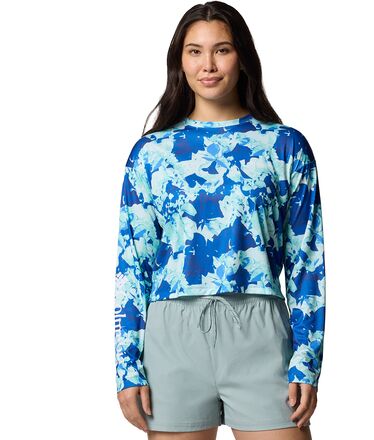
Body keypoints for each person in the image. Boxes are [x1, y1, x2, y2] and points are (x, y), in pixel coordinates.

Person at [114, 2, 326, 439]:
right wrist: (126, 366)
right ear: (179, 61)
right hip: (172, 335)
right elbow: (133, 264)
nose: (207, 65)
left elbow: (307, 262)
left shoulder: (283, 146)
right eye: (194, 51)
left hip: (260, 331)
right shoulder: (151, 154)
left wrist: (307, 358)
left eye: (222, 50)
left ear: (242, 57)